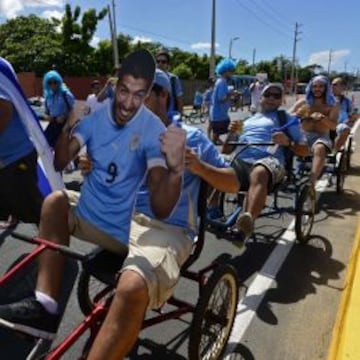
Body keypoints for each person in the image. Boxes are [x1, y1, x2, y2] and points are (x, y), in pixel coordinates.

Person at [0, 50, 187, 357]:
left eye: (140, 94)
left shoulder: (176, 135)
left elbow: (165, 204)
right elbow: (61, 161)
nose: (126, 102)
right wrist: (70, 126)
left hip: (161, 228)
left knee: (130, 287)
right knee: (54, 200)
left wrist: (179, 169)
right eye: (121, 91)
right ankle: (44, 306)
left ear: (162, 94)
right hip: (119, 220)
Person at [79, 69, 239, 358]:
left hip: (169, 229)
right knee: (52, 206)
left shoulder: (192, 138)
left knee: (130, 289)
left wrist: (200, 167)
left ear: (162, 96)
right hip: (126, 222)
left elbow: (233, 182)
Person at [222, 83, 308, 241]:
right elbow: (226, 150)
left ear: (281, 101)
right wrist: (231, 133)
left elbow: (304, 150)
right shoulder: (247, 120)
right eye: (268, 95)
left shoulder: (287, 119)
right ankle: (211, 210)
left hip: (270, 162)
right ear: (260, 97)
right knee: (215, 162)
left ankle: (246, 224)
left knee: (259, 171)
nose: (271, 98)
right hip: (241, 161)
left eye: (276, 96)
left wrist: (287, 142)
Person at [0, 58, 44, 225]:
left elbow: (4, 112)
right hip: (6, 157)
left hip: (16, 156)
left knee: (35, 211)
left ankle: (55, 247)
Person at [289, 75, 340, 185]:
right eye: (315, 86)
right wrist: (296, 114)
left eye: (321, 86)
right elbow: (287, 116)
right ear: (310, 87)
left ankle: (311, 182)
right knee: (286, 143)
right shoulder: (304, 101)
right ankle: (286, 174)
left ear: (326, 88)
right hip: (303, 135)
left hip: (321, 136)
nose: (317, 89)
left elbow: (333, 126)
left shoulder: (333, 104)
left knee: (319, 148)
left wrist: (322, 118)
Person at [43, 70, 75, 148]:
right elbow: (45, 113)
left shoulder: (66, 94)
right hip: (53, 125)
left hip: (65, 125)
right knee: (45, 144)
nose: (53, 84)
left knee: (65, 149)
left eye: (55, 82)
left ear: (59, 82)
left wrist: (64, 117)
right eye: (50, 82)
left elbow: (74, 110)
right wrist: (47, 117)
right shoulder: (48, 97)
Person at [209, 58, 236, 145]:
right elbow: (221, 99)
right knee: (231, 130)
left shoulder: (221, 81)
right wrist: (230, 94)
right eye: (231, 70)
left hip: (220, 115)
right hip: (219, 115)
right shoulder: (221, 82)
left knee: (219, 135)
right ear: (225, 71)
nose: (233, 73)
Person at [155, 47, 184, 114]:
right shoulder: (151, 78)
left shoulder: (173, 79)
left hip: (169, 117)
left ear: (168, 64)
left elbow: (179, 99)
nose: (160, 64)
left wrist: (179, 117)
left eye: (163, 62)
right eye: (158, 61)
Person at [331, 77, 353, 151]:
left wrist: (351, 120)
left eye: (335, 84)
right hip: (327, 122)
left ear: (343, 87)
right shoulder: (326, 99)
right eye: (332, 84)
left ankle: (335, 151)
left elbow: (351, 114)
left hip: (340, 125)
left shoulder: (347, 101)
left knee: (346, 129)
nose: (332, 86)